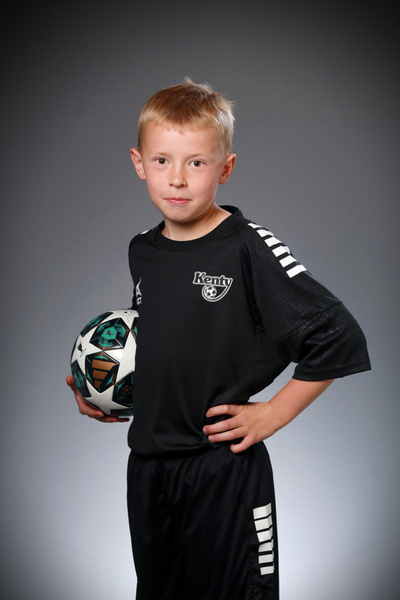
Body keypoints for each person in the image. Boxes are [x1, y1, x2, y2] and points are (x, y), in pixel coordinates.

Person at [67, 78, 371, 600]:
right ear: (139, 163)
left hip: (222, 472)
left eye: (196, 162)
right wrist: (96, 386)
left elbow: (337, 335)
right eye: (162, 161)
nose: (177, 178)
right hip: (149, 469)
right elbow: (156, 342)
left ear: (225, 168)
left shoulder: (246, 246)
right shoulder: (143, 250)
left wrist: (272, 413)